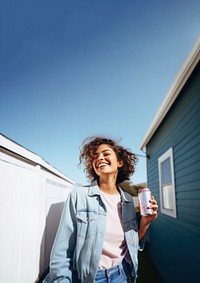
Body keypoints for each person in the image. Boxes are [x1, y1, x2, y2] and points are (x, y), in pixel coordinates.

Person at [43, 136, 158, 283]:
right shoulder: (79, 196)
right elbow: (62, 251)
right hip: (90, 278)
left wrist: (145, 222)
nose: (100, 158)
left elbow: (133, 242)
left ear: (120, 162)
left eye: (106, 154)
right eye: (95, 157)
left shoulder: (128, 200)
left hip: (123, 274)